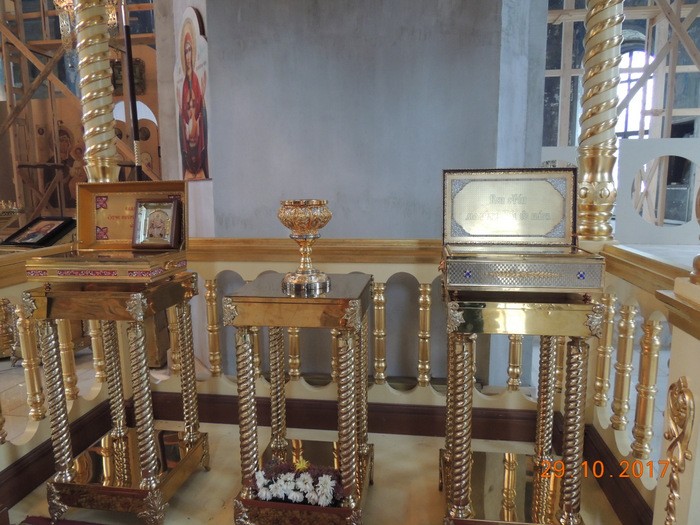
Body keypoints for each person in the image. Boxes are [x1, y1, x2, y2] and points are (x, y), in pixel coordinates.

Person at [178, 26, 208, 180]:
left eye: (190, 51)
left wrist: (202, 97)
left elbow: (199, 110)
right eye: (185, 52)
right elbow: (184, 115)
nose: (188, 55)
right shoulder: (183, 83)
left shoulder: (196, 79)